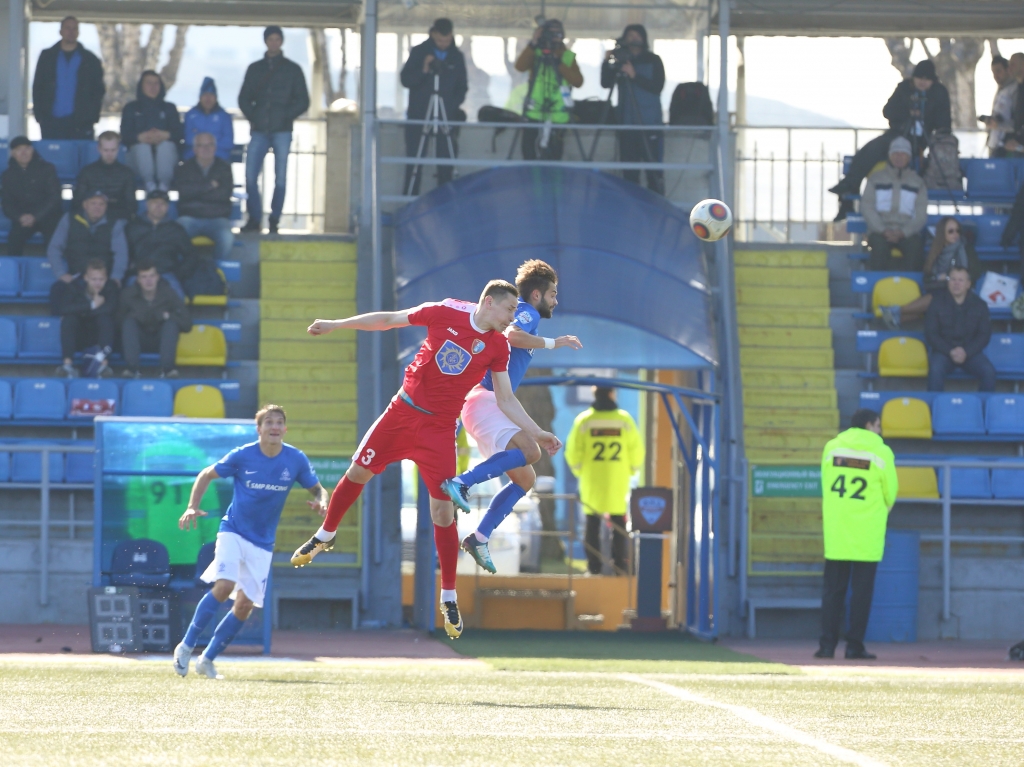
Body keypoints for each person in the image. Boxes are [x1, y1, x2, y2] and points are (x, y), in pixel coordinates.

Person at [289, 282, 562, 639]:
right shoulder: (446, 310)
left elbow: (507, 400)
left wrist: (538, 432)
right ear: (489, 303)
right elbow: (388, 319)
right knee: (357, 472)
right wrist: (338, 324)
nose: (514, 317)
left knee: (442, 513)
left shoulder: (497, 346)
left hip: (439, 430)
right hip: (401, 414)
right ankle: (325, 535)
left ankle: (448, 596)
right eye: (510, 310)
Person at [441, 260, 583, 574]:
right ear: (536, 294)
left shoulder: (527, 312)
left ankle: (479, 538)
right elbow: (514, 335)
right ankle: (461, 483)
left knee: (526, 479)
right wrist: (553, 343)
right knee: (531, 453)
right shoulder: (527, 312)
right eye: (553, 294)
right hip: (487, 400)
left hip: (488, 403)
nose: (555, 301)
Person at [173, 405, 328, 679]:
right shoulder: (243, 455)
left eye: (279, 422)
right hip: (233, 530)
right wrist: (191, 506)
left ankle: (206, 659)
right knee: (224, 586)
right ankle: (186, 646)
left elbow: (317, 488)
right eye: (269, 422)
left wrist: (321, 501)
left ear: (285, 429)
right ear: (259, 429)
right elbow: (207, 474)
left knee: (244, 606)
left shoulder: (295, 459)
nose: (274, 427)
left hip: (263, 541)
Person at [817, 408, 898, 661]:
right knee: (861, 594)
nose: (880, 431)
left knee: (833, 592)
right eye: (878, 426)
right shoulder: (881, 452)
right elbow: (890, 493)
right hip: (867, 533)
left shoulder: (832, 447)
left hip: (838, 530)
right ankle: (854, 647)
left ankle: (827, 646)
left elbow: (824, 483)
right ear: (869, 424)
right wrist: (877, 512)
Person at [831, 60, 950, 220]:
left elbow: (945, 124)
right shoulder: (904, 88)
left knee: (878, 149)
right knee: (867, 151)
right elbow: (888, 111)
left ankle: (848, 185)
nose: (922, 82)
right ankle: (848, 191)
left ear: (933, 80)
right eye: (919, 78)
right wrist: (908, 113)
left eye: (927, 79)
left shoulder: (939, 93)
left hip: (921, 141)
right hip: (898, 133)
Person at [238, 26, 310, 234]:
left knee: (281, 178)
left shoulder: (292, 69)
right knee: (250, 177)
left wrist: (285, 116)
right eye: (271, 39)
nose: (274, 43)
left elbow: (303, 101)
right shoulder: (255, 69)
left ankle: (275, 219)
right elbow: (243, 98)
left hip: (282, 130)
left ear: (281, 41)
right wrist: (255, 116)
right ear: (266, 41)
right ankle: (254, 218)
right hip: (259, 129)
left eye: (277, 39)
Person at [565, 386, 644, 575]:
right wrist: (632, 470)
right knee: (618, 524)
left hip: (592, 480)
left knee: (592, 524)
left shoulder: (584, 420)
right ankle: (620, 567)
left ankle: (594, 567)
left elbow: (573, 452)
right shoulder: (624, 420)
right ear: (611, 394)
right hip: (618, 480)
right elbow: (636, 450)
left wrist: (580, 472)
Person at [399, 18, 468, 196]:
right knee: (414, 160)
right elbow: (406, 80)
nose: (443, 44)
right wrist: (424, 68)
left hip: (446, 115)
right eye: (439, 41)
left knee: (446, 160)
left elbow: (462, 87)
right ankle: (410, 198)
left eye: (447, 40)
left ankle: (445, 200)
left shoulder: (456, 57)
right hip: (419, 114)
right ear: (432, 34)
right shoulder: (419, 52)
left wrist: (450, 106)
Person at [879, 216, 982, 328]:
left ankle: (897, 311)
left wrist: (949, 277)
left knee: (937, 299)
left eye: (958, 230)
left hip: (961, 292)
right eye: (951, 231)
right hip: (938, 290)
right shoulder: (935, 251)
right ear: (942, 233)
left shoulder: (966, 249)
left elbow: (976, 272)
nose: (955, 234)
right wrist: (938, 279)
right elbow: (927, 277)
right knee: (937, 300)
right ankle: (896, 317)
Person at [601, 25, 666, 194]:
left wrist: (634, 75)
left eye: (637, 36)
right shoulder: (621, 61)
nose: (633, 39)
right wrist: (606, 63)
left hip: (649, 122)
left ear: (644, 39)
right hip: (626, 122)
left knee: (653, 168)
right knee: (629, 171)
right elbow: (605, 83)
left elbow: (657, 86)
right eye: (629, 35)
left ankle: (656, 203)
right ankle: (631, 205)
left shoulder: (654, 60)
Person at [515, 19, 584, 161]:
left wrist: (559, 63)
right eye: (550, 33)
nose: (554, 37)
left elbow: (578, 81)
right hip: (534, 112)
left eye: (558, 34)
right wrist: (533, 43)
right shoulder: (536, 53)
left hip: (558, 115)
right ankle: (531, 181)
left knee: (554, 154)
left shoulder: (567, 55)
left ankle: (552, 182)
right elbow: (520, 67)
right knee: (528, 151)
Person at [31, 16, 105, 140]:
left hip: (81, 124)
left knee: (81, 159)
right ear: (60, 31)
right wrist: (40, 116)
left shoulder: (90, 59)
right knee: (52, 158)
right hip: (51, 122)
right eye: (67, 28)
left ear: (78, 32)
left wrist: (92, 117)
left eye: (74, 28)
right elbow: (38, 87)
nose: (71, 32)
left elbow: (98, 90)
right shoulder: (47, 57)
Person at [862, 137, 927, 272]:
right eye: (895, 153)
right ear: (889, 156)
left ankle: (911, 288)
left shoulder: (918, 182)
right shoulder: (875, 179)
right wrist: (882, 230)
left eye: (903, 153)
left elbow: (921, 214)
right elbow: (867, 207)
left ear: (909, 157)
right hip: (880, 231)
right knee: (879, 247)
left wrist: (903, 232)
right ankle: (878, 286)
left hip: (906, 232)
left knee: (915, 247)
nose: (899, 157)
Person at [925, 267, 996, 392]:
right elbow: (931, 334)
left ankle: (983, 409)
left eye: (961, 280)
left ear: (968, 284)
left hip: (970, 352)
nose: (956, 283)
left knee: (988, 371)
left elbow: (984, 335)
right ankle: (934, 409)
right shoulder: (936, 303)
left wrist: (966, 352)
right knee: (935, 369)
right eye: (953, 279)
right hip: (944, 352)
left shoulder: (980, 305)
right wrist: (950, 351)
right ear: (948, 282)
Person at [118, 260, 192, 378]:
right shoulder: (128, 295)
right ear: (138, 279)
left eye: (152, 276)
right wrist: (134, 316)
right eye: (144, 277)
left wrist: (168, 316)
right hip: (137, 340)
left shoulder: (169, 293)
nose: (148, 280)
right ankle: (132, 370)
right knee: (129, 323)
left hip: (162, 341)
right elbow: (118, 323)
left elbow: (187, 324)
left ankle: (167, 370)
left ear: (158, 277)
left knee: (171, 324)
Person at [49, 258, 118, 378]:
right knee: (69, 319)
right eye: (94, 279)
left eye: (101, 279)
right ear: (86, 278)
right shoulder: (74, 286)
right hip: (79, 334)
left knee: (106, 319)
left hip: (99, 336)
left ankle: (103, 366)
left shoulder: (111, 287)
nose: (97, 283)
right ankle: (67, 366)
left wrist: (82, 311)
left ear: (106, 278)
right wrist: (92, 305)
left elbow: (111, 309)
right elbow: (64, 309)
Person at [173, 132, 236, 261]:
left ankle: (216, 273)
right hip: (190, 217)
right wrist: (209, 186)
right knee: (175, 235)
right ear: (194, 149)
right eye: (201, 145)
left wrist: (196, 191)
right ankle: (183, 270)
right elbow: (184, 193)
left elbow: (224, 195)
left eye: (210, 145)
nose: (206, 149)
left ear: (215, 148)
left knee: (227, 237)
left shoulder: (224, 168)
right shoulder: (184, 168)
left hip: (217, 218)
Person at [48, 190, 129, 285]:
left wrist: (116, 277)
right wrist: (61, 273)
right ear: (85, 205)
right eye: (93, 203)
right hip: (75, 277)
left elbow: (121, 254)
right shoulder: (69, 219)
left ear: (106, 207)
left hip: (103, 279)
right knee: (58, 289)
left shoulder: (115, 223)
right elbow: (54, 248)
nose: (97, 207)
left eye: (101, 204)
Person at [121, 70, 183, 193]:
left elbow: (179, 133)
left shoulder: (170, 108)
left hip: (166, 159)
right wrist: (141, 137)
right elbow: (125, 135)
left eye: (156, 83)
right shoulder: (131, 108)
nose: (153, 87)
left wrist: (165, 135)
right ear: (141, 86)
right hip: (138, 160)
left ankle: (163, 185)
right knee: (142, 147)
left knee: (165, 146)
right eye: (149, 83)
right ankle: (149, 184)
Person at [1, 136, 63, 254]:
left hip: (48, 217)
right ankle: (15, 270)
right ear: (12, 153)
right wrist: (20, 217)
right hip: (23, 218)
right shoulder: (7, 175)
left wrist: (35, 216)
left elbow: (54, 198)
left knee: (53, 242)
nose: (24, 153)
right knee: (14, 240)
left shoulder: (47, 169)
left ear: (32, 150)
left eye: (27, 148)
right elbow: (7, 203)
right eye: (19, 149)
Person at [124, 190, 192, 298]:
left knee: (178, 301)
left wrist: (178, 274)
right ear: (147, 204)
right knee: (126, 301)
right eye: (155, 202)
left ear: (168, 207)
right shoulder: (132, 227)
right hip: (139, 274)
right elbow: (123, 254)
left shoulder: (176, 229)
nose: (158, 206)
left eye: (163, 204)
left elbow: (190, 255)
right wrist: (131, 271)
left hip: (165, 274)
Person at [73, 132, 137, 222]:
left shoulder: (127, 173)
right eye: (106, 150)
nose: (109, 154)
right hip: (91, 219)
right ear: (99, 149)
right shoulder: (87, 172)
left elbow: (131, 205)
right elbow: (78, 202)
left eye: (113, 150)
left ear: (118, 149)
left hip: (117, 219)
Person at [183, 78, 234, 162]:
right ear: (200, 97)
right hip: (194, 156)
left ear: (216, 97)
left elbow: (228, 142)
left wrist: (207, 146)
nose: (208, 99)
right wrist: (205, 147)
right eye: (205, 95)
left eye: (211, 95)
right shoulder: (190, 115)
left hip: (219, 155)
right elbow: (188, 139)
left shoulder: (224, 116)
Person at [985, 56, 1018, 158]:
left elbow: (1018, 122)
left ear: (1008, 70)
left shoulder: (1016, 90)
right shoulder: (1001, 90)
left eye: (998, 71)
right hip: (995, 145)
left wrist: (999, 125)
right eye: (993, 72)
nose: (996, 75)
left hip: (1009, 146)